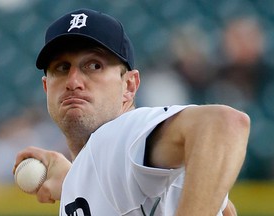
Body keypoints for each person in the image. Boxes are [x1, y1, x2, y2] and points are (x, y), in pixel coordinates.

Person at [13, 8, 250, 216]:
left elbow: (224, 123)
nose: (73, 81)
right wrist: (75, 177)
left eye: (94, 65)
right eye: (62, 68)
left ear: (129, 85)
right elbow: (225, 210)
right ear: (46, 87)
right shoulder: (103, 159)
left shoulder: (120, 134)